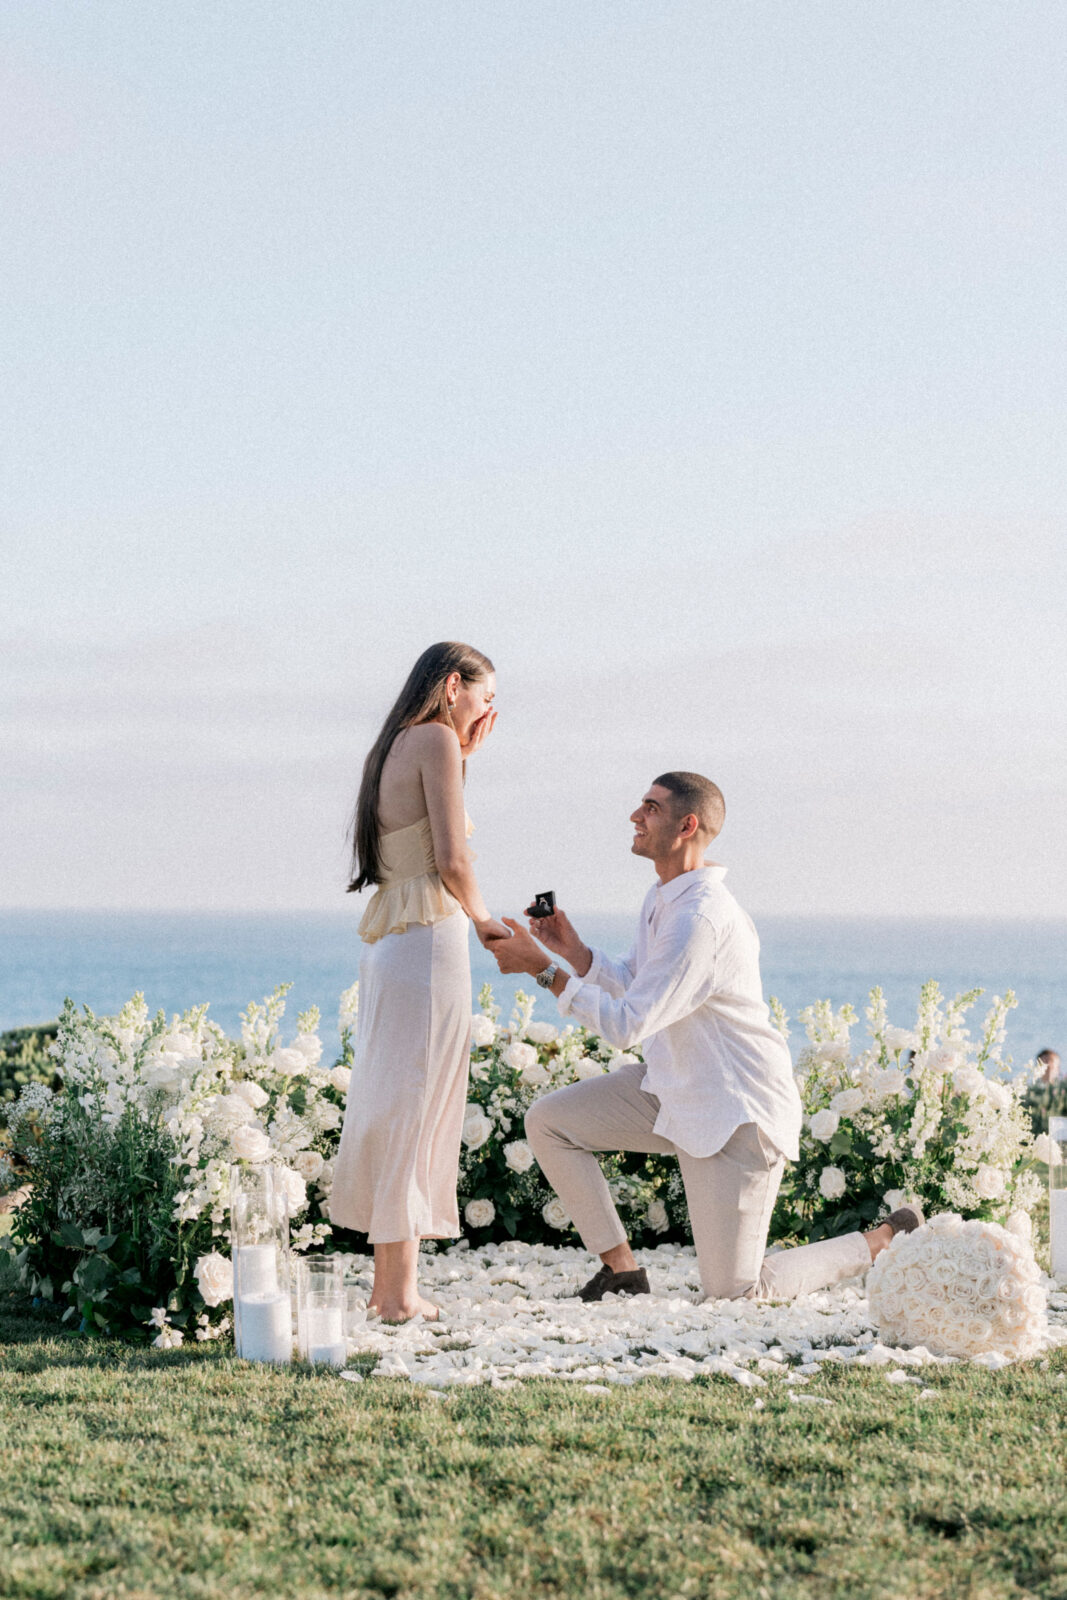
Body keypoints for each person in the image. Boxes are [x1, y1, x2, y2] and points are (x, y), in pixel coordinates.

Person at [486, 772, 922, 1303]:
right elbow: (643, 988)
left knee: (737, 1293)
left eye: (649, 807)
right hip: (673, 1089)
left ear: (686, 825)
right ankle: (621, 1269)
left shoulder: (700, 919)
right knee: (550, 1122)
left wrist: (542, 971)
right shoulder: (665, 898)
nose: (634, 816)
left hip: (734, 1114)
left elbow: (628, 1025)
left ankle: (879, 1241)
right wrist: (575, 953)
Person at [330, 642, 509, 1322]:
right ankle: (398, 1294)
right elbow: (452, 857)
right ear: (455, 685)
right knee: (418, 1101)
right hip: (430, 937)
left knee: (395, 1097)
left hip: (392, 939)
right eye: (485, 698)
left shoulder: (399, 743)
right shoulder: (434, 738)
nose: (488, 711)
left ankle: (388, 1287)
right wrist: (487, 921)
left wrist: (465, 752)